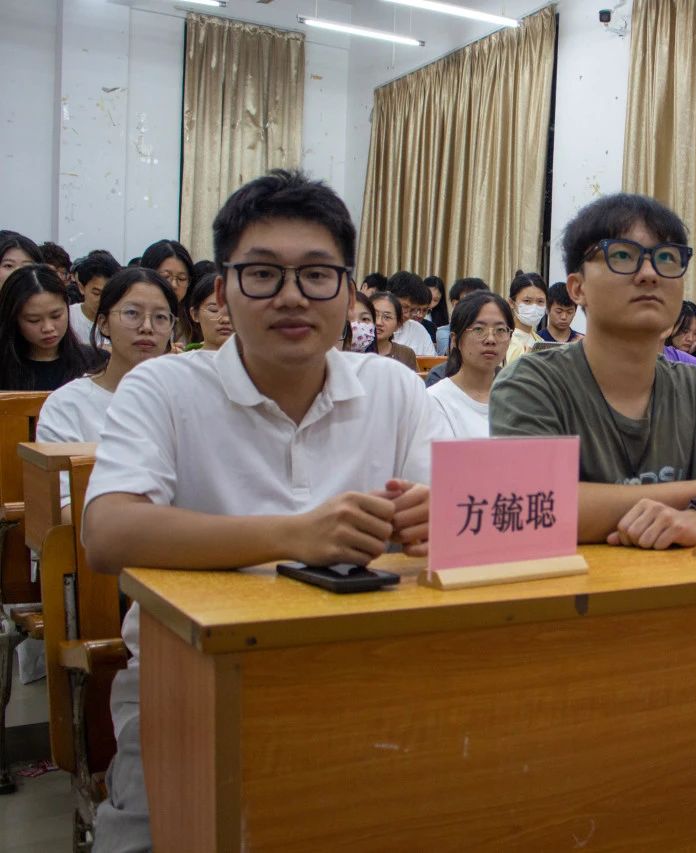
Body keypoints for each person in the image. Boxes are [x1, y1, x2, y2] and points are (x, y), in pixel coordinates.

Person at [83, 169, 437, 851]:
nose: (292, 296)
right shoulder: (163, 388)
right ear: (221, 292)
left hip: (370, 675)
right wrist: (296, 535)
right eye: (263, 274)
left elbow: (451, 516)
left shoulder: (394, 388)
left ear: (349, 293)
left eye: (317, 275)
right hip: (196, 686)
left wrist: (437, 518)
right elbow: (108, 531)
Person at [490, 193, 696, 549]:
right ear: (578, 288)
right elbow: (531, 505)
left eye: (667, 258)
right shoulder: (530, 384)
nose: (649, 274)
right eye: (623, 256)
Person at [37, 267, 179, 506]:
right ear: (103, 323)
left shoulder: (186, 401)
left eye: (161, 317)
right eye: (132, 313)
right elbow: (61, 505)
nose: (147, 326)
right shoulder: (67, 405)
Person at [0, 264, 101, 391]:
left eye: (56, 316)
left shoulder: (96, 363)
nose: (48, 328)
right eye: (34, 320)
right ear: (13, 318)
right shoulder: (4, 369)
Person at [427, 292, 513, 438]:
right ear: (455, 340)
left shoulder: (519, 399)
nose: (491, 339)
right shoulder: (435, 400)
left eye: (500, 330)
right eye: (478, 329)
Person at [69, 250, 123, 346]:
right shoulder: (69, 317)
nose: (103, 299)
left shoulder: (122, 320)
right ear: (81, 288)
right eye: (96, 293)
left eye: (109, 294)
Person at [432, 276, 489, 361]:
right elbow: (449, 361)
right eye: (471, 302)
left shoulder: (491, 331)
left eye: (482, 302)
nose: (477, 307)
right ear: (455, 304)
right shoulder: (444, 333)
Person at [386, 271, 436, 355]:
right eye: (404, 307)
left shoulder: (419, 331)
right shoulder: (372, 328)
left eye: (413, 310)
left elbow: (430, 361)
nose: (407, 315)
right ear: (388, 296)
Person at [182, 272, 234, 352]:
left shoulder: (254, 360)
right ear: (195, 314)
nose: (225, 319)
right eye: (214, 310)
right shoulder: (180, 360)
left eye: (232, 311)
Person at [505, 270, 548, 365]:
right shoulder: (504, 340)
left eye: (540, 301)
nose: (534, 307)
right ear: (511, 303)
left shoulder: (540, 341)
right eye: (527, 301)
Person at [370, 290, 419, 371]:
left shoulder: (406, 354)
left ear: (398, 325)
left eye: (387, 317)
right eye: (374, 315)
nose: (378, 322)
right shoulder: (354, 350)